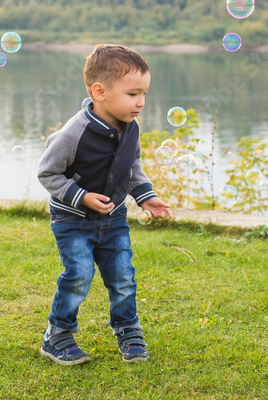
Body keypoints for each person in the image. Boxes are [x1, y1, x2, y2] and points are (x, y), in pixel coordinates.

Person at [36, 44, 171, 365]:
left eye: (144, 94)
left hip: (114, 219)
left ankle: (128, 328)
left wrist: (146, 196)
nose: (140, 102)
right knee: (78, 275)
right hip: (73, 220)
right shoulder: (73, 133)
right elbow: (47, 173)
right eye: (133, 94)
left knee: (123, 275)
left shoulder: (131, 128)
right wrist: (81, 196)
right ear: (99, 92)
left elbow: (132, 167)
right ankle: (57, 335)